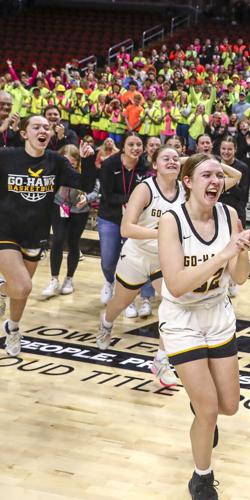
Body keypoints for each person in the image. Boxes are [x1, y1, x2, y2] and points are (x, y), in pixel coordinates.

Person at [157, 153, 250, 500]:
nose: (215, 181)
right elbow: (176, 284)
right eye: (205, 175)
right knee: (209, 410)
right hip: (182, 318)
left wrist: (241, 250)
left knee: (228, 406)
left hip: (217, 313)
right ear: (187, 182)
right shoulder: (172, 220)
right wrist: (223, 253)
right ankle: (201, 477)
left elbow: (241, 278)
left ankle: (202, 409)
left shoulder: (229, 214)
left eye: (219, 175)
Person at [0, 115, 96, 356]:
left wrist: (88, 161)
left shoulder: (56, 161)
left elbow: (83, 184)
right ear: (24, 133)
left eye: (47, 127)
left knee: (20, 290)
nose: (43, 130)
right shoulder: (7, 156)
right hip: (5, 230)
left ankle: (12, 328)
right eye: (36, 127)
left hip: (36, 233)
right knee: (22, 286)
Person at [95, 146, 188, 387]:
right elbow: (126, 229)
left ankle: (161, 359)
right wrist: (163, 233)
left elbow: (231, 179)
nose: (172, 162)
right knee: (120, 303)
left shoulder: (185, 190)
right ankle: (106, 323)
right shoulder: (145, 189)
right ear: (154, 164)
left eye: (176, 159)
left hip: (165, 259)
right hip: (137, 254)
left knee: (175, 304)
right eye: (165, 158)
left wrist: (189, 161)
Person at [97, 134, 156, 317]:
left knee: (140, 259)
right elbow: (106, 195)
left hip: (137, 220)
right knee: (108, 260)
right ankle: (109, 281)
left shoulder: (146, 167)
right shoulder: (109, 165)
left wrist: (134, 206)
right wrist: (128, 201)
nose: (135, 148)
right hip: (110, 217)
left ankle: (145, 299)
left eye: (139, 144)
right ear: (123, 147)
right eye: (131, 144)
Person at [41, 144, 99, 299]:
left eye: (72, 162)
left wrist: (87, 198)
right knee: (58, 239)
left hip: (80, 210)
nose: (69, 165)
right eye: (66, 161)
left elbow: (95, 188)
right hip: (63, 206)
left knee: (73, 243)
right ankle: (54, 279)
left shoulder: (86, 169)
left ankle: (69, 279)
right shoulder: (56, 169)